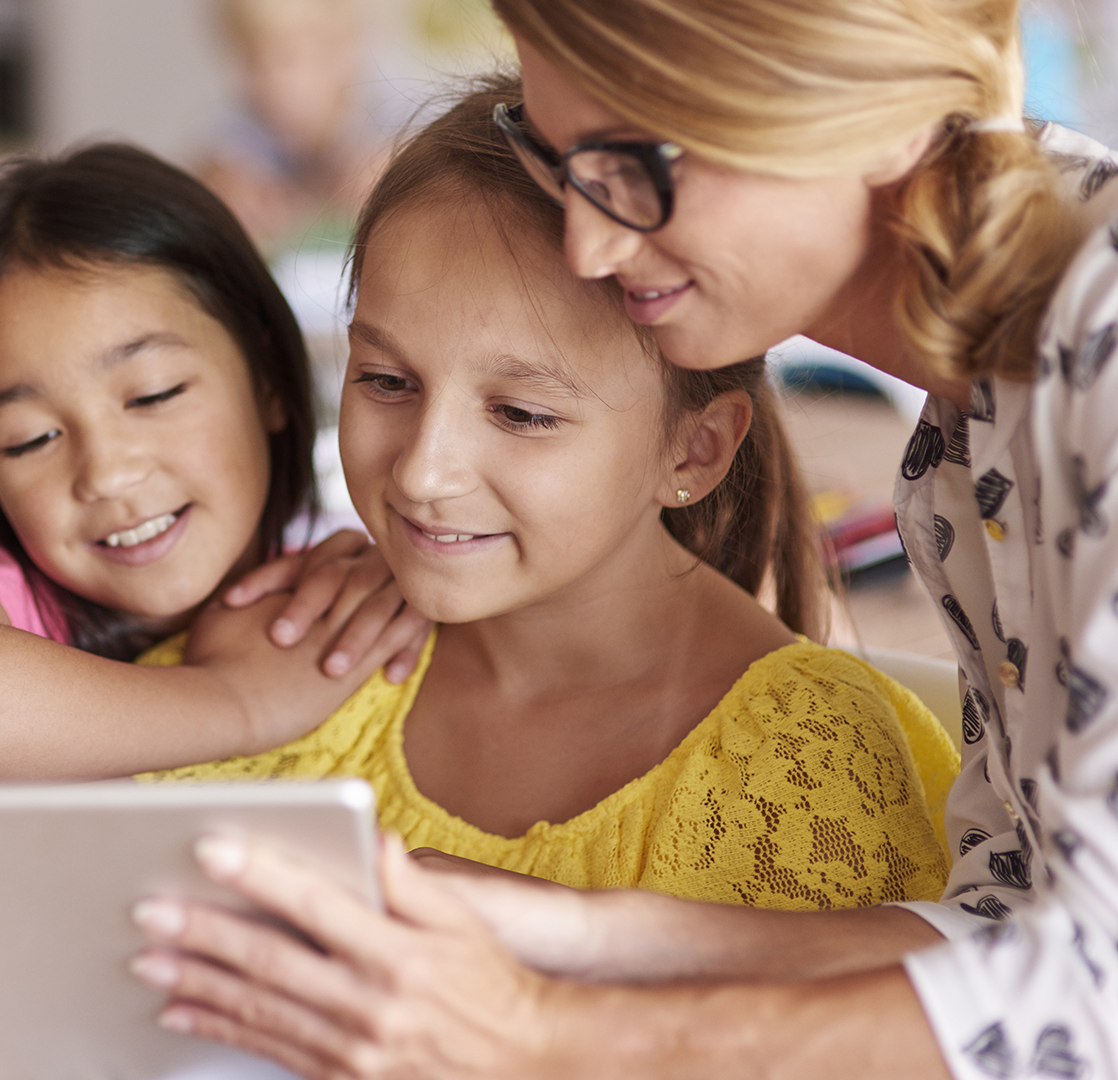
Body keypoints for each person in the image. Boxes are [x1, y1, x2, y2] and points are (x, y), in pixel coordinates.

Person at [128, 1, 1118, 1076]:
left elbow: (1093, 1002)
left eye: (638, 163)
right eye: (560, 163)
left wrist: (543, 1037)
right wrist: (580, 934)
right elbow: (1014, 942)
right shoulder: (976, 437)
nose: (590, 241)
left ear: (883, 115)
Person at [139, 78, 956, 909]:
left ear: (697, 448)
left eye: (522, 414)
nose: (424, 473)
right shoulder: (290, 642)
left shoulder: (806, 780)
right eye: (386, 380)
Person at [0, 144, 427, 781]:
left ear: (267, 384)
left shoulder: (335, 580)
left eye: (153, 395)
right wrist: (237, 702)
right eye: (30, 439)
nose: (107, 474)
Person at [198, 0, 388, 256]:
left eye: (288, 59)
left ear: (342, 48)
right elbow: (211, 164)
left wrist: (404, 174)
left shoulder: (398, 114)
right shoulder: (236, 131)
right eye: (252, 63)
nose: (271, 82)